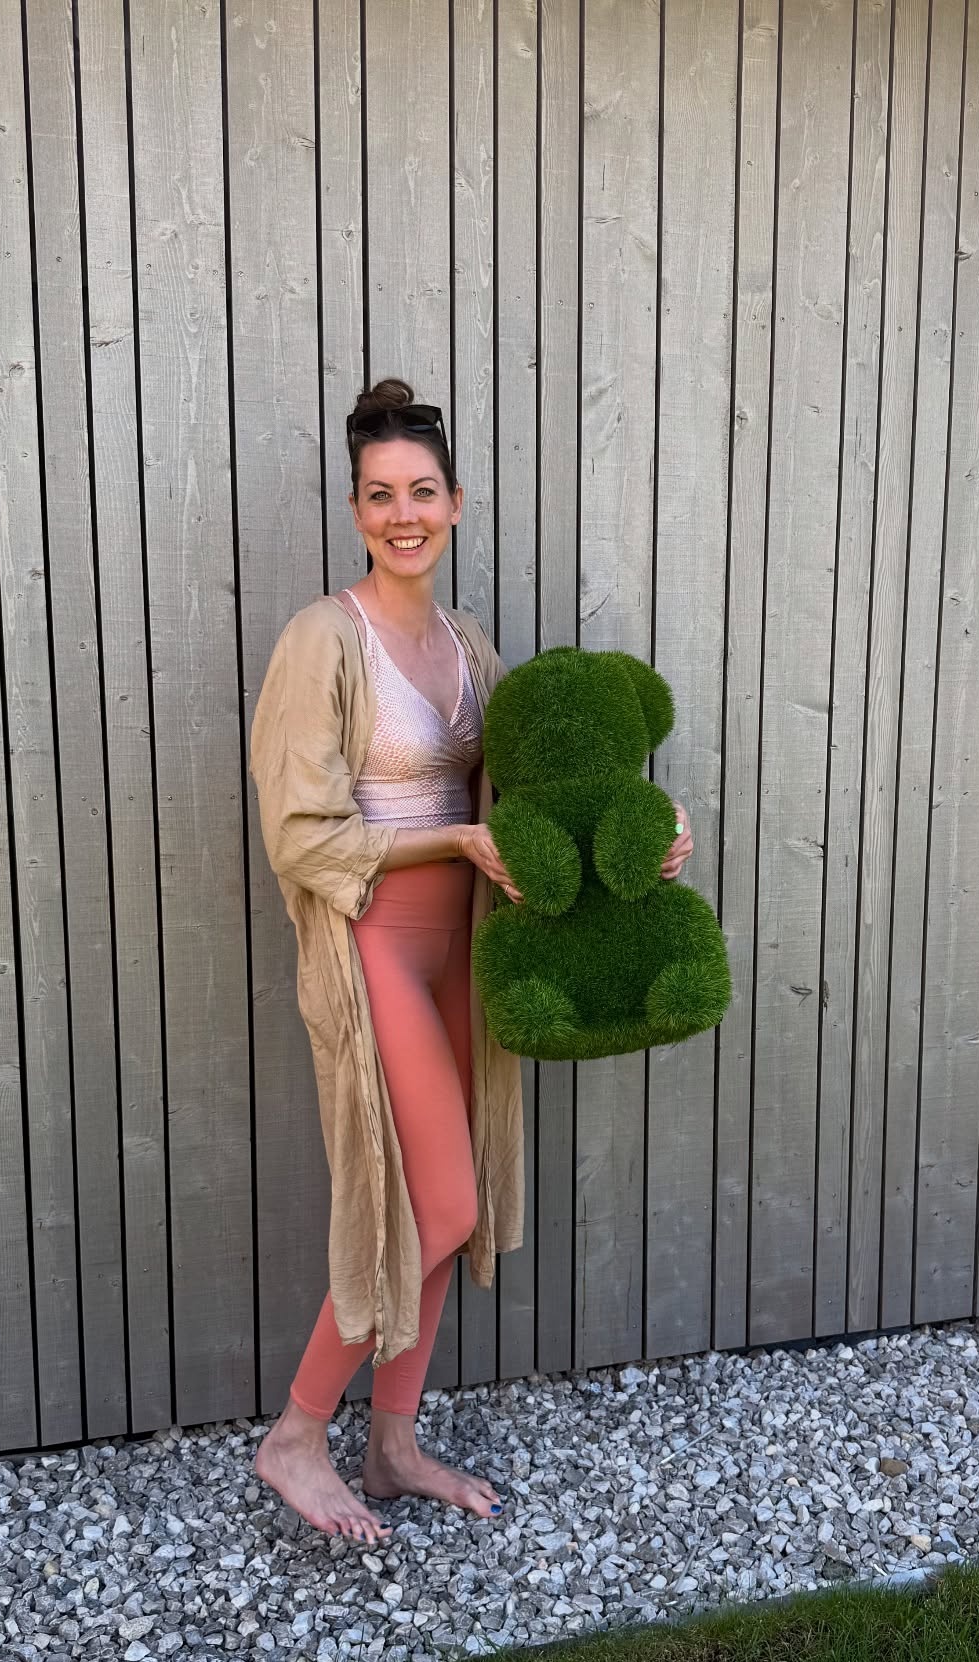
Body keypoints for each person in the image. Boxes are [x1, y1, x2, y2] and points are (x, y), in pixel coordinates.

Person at [247, 378, 695, 1544]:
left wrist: (644, 834)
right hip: (376, 945)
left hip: (471, 945)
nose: (403, 513)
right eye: (380, 494)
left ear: (455, 502)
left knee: (457, 1201)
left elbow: (537, 794)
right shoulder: (323, 638)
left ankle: (391, 1445)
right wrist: (450, 838)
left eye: (423, 491)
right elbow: (301, 832)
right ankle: (296, 1433)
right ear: (356, 510)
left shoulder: (471, 646)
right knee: (436, 1202)